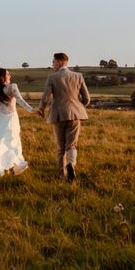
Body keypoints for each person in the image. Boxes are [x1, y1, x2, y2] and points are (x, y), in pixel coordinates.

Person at [38, 52, 90, 182]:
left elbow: (45, 97)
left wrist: (41, 109)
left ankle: (62, 175)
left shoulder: (52, 77)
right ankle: (71, 164)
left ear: (60, 62)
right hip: (75, 115)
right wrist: (78, 108)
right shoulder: (78, 76)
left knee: (61, 147)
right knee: (71, 145)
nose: (52, 64)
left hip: (58, 115)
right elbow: (87, 98)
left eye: (54, 62)